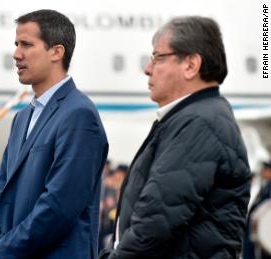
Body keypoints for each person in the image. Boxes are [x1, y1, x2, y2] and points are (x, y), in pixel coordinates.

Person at [100, 16, 251, 259]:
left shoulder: (200, 123)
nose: (147, 68)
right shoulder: (190, 118)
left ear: (191, 65)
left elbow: (155, 221)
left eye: (158, 57)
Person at [0, 9, 109, 259]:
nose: (16, 54)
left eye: (27, 45)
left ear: (57, 52)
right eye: (16, 44)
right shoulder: (22, 118)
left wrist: (5, 251)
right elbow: (2, 192)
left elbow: (60, 205)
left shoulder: (78, 114)